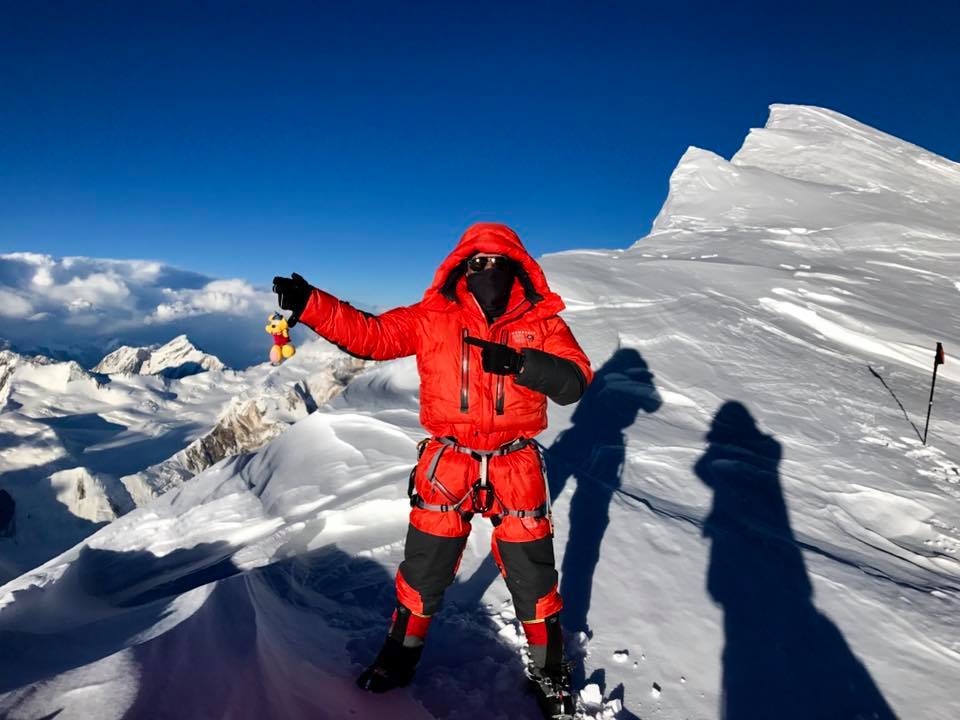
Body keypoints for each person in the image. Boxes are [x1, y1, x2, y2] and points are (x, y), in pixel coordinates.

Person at [273, 222, 592, 717]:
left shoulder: (543, 323)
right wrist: (312, 303)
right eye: (477, 262)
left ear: (517, 269)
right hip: (450, 461)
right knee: (424, 571)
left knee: (533, 577)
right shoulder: (433, 317)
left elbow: (574, 382)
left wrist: (521, 364)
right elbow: (373, 337)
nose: (486, 270)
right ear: (461, 267)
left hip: (515, 460)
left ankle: (551, 673)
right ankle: (398, 659)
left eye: (496, 262)